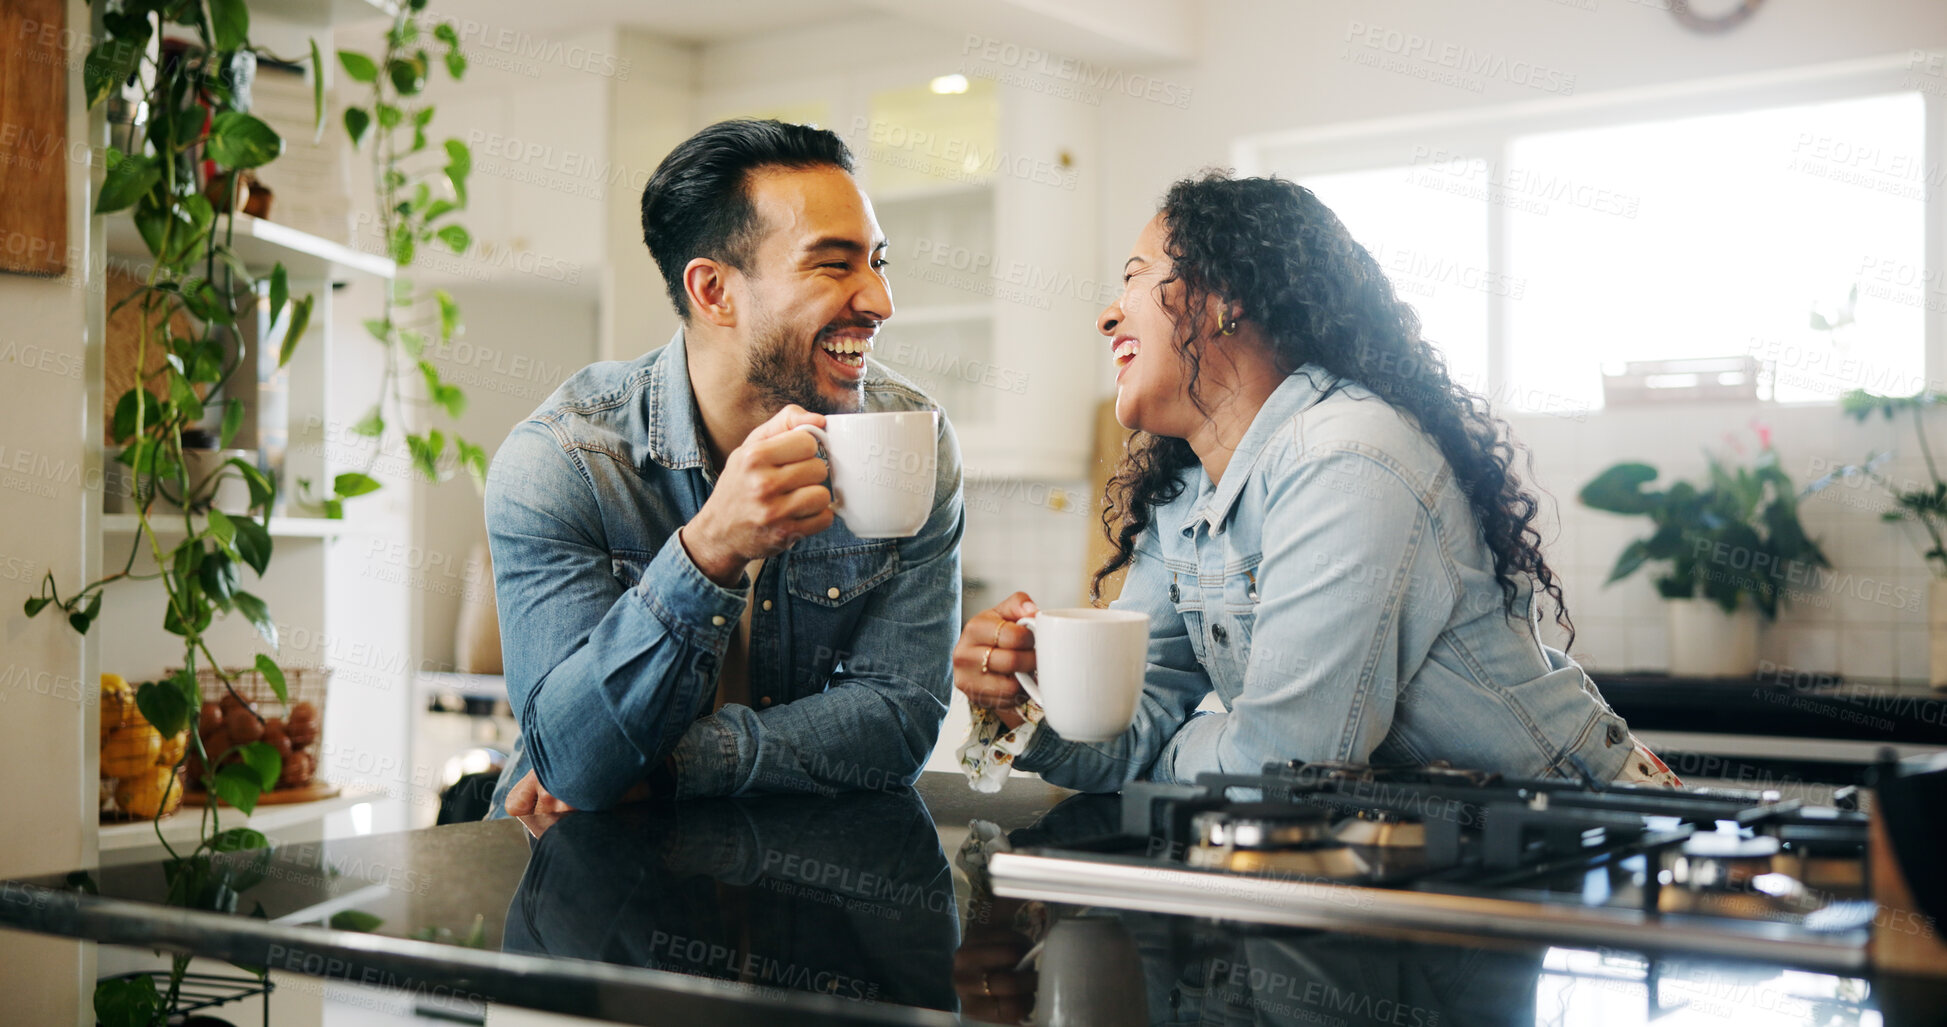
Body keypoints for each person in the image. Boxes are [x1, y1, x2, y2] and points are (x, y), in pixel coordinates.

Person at [953, 171, 1677, 792]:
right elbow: (1134, 722)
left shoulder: (1348, 456)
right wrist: (1031, 704)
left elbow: (1283, 771)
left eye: (1138, 274)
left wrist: (1165, 758)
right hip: (1423, 858)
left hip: (1583, 831)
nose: (1109, 312)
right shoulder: (1186, 496)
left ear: (1224, 297)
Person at [484, 119, 964, 816]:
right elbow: (575, 760)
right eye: (834, 263)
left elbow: (899, 719)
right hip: (583, 881)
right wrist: (711, 549)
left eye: (877, 262)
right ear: (713, 291)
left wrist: (670, 767)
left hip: (802, 884)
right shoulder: (564, 462)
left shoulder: (911, 436)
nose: (879, 302)